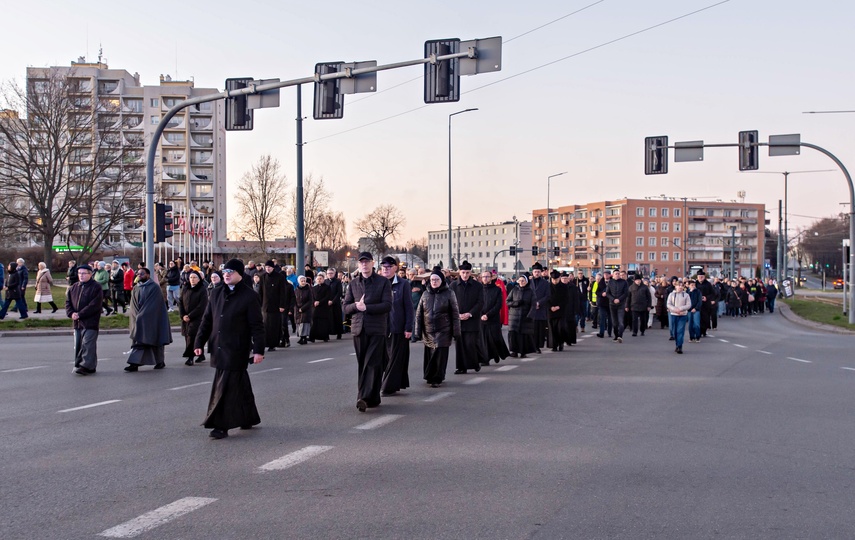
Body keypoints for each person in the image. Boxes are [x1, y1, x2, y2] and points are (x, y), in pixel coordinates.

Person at [194, 258, 265, 440]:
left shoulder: (249, 296)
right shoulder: (216, 293)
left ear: (240, 274)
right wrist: (198, 342)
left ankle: (220, 425)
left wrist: (258, 350)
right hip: (218, 346)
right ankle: (248, 416)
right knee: (239, 383)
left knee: (225, 387)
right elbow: (207, 320)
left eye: (230, 272)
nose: (226, 275)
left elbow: (257, 326)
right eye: (225, 272)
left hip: (237, 348)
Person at [343, 252, 392, 412]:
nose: (364, 265)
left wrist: (367, 308)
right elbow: (345, 307)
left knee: (371, 363)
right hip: (359, 329)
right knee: (363, 364)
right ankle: (373, 397)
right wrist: (356, 306)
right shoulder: (353, 283)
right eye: (361, 262)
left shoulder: (383, 282)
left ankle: (362, 397)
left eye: (367, 262)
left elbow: (387, 305)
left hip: (377, 329)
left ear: (373, 263)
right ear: (358, 265)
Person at [415, 267, 460, 388]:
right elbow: (419, 314)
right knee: (430, 354)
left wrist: (456, 332)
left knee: (439, 354)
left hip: (444, 329)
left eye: (436, 280)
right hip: (428, 330)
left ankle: (437, 377)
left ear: (442, 280)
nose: (434, 282)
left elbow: (455, 314)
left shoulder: (449, 293)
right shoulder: (425, 294)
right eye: (432, 280)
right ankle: (430, 376)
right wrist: (417, 332)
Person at [124, 267, 172, 372]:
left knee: (156, 339)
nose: (139, 275)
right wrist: (136, 315)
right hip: (138, 319)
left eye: (142, 274)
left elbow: (154, 304)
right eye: (138, 274)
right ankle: (134, 363)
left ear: (148, 275)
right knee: (139, 342)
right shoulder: (136, 287)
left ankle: (160, 361)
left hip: (152, 319)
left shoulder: (154, 287)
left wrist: (142, 315)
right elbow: (133, 303)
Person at [380, 256, 413, 395]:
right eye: (383, 267)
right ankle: (391, 382)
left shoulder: (403, 284)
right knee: (383, 358)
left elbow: (409, 307)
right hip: (380, 327)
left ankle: (388, 386)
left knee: (395, 357)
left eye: (389, 267)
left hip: (397, 326)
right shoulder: (378, 283)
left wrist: (408, 327)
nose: (386, 269)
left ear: (395, 268)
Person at [65, 264, 103, 374]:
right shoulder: (74, 287)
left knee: (88, 344)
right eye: (79, 273)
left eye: (84, 273)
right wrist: (71, 313)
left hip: (90, 321)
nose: (81, 275)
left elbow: (95, 305)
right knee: (79, 345)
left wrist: (80, 314)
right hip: (77, 322)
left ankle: (86, 365)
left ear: (90, 274)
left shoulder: (96, 287)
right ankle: (86, 365)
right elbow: (68, 302)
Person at [450, 261, 485, 374]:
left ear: (470, 273)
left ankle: (475, 363)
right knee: (460, 345)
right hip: (458, 320)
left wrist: (470, 313)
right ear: (459, 273)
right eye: (463, 272)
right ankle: (461, 367)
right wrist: (457, 314)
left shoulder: (477, 286)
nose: (465, 275)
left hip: (472, 320)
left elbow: (480, 302)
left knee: (470, 343)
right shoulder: (453, 285)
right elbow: (450, 302)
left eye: (467, 273)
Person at [179, 270, 208, 365]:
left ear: (199, 279)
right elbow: (181, 302)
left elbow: (202, 305)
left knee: (192, 336)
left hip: (197, 318)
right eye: (191, 277)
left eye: (195, 277)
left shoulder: (202, 289)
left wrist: (190, 315)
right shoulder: (185, 288)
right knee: (187, 336)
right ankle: (200, 354)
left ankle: (190, 357)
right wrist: (183, 315)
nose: (192, 279)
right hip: (185, 318)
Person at [480, 270, 509, 363]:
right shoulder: (478, 290)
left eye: (487, 276)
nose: (485, 278)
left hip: (493, 318)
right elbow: (476, 303)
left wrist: (488, 315)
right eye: (483, 277)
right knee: (484, 340)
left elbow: (498, 304)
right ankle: (486, 359)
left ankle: (496, 353)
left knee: (495, 338)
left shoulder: (497, 289)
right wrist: (481, 315)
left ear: (491, 278)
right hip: (481, 318)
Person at [258, 260, 287, 352]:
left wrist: (282, 305)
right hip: (265, 305)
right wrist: (259, 303)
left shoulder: (280, 277)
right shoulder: (263, 277)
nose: (268, 269)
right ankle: (265, 343)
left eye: (269, 267)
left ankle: (273, 344)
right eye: (266, 267)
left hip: (276, 305)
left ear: (273, 268)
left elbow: (283, 292)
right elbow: (260, 291)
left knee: (274, 326)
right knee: (265, 325)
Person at [506, 275, 535, 358]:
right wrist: (516, 303)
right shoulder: (514, 290)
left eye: (523, 281)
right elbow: (507, 301)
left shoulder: (530, 291)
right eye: (520, 281)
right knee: (513, 334)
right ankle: (514, 351)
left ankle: (523, 352)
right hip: (514, 317)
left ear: (526, 282)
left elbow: (533, 305)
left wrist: (530, 315)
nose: (521, 282)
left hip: (525, 317)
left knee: (524, 335)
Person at [528, 262, 550, 353]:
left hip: (541, 309)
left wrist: (539, 303)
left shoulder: (545, 283)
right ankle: (531, 346)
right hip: (530, 309)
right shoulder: (528, 282)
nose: (536, 273)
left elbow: (547, 296)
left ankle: (538, 346)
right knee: (531, 329)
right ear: (532, 272)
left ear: (541, 272)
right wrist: (533, 303)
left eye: (538, 272)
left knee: (540, 330)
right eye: (535, 272)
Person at [547, 270, 571, 352]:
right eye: (553, 279)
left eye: (556, 279)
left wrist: (559, 306)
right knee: (552, 329)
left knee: (560, 328)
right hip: (551, 311)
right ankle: (554, 345)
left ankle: (561, 343)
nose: (555, 281)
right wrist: (550, 307)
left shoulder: (564, 287)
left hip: (561, 311)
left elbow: (566, 299)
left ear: (559, 278)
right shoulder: (548, 287)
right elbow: (545, 298)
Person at [667, 280, 692, 354]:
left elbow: (688, 305)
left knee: (680, 331)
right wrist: (675, 309)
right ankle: (677, 344)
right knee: (674, 331)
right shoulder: (671, 294)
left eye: (682, 286)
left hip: (682, 315)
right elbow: (668, 304)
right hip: (673, 314)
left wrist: (681, 309)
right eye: (679, 285)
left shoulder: (686, 295)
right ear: (676, 286)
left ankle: (679, 346)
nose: (680, 287)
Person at [606, 269, 629, 343]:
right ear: (613, 275)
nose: (618, 275)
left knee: (621, 322)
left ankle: (620, 336)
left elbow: (626, 293)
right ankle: (616, 336)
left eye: (618, 274)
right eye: (616, 274)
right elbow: (607, 293)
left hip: (621, 304)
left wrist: (619, 299)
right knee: (614, 323)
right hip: (612, 305)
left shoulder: (624, 282)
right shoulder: (610, 282)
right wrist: (613, 299)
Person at [310, 273, 332, 342]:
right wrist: (314, 302)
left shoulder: (327, 287)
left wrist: (319, 302)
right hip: (315, 307)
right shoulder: (314, 288)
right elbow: (311, 296)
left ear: (323, 280)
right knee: (315, 322)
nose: (319, 280)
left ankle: (324, 337)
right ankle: (313, 337)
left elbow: (327, 296)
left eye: (320, 279)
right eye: (318, 279)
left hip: (323, 307)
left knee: (323, 323)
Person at [294, 275, 314, 345]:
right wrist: (297, 307)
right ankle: (302, 337)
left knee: (304, 324)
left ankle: (303, 337)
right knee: (299, 324)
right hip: (297, 309)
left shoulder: (308, 290)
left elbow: (310, 300)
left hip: (306, 309)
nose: (303, 282)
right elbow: (294, 299)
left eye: (304, 281)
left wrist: (303, 308)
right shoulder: (296, 290)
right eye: (301, 281)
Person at [279, 268, 296, 348]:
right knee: (278, 325)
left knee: (284, 324)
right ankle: (281, 340)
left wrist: (290, 309)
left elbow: (292, 298)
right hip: (277, 308)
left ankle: (286, 339)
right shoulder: (277, 286)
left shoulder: (289, 286)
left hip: (286, 307)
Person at [326, 267, 344, 340]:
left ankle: (339, 333)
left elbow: (339, 293)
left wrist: (333, 301)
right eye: (328, 273)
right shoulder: (325, 281)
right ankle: (327, 333)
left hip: (335, 303)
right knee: (328, 319)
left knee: (337, 318)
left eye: (331, 273)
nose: (330, 274)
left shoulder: (338, 281)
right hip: (327, 303)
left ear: (334, 274)